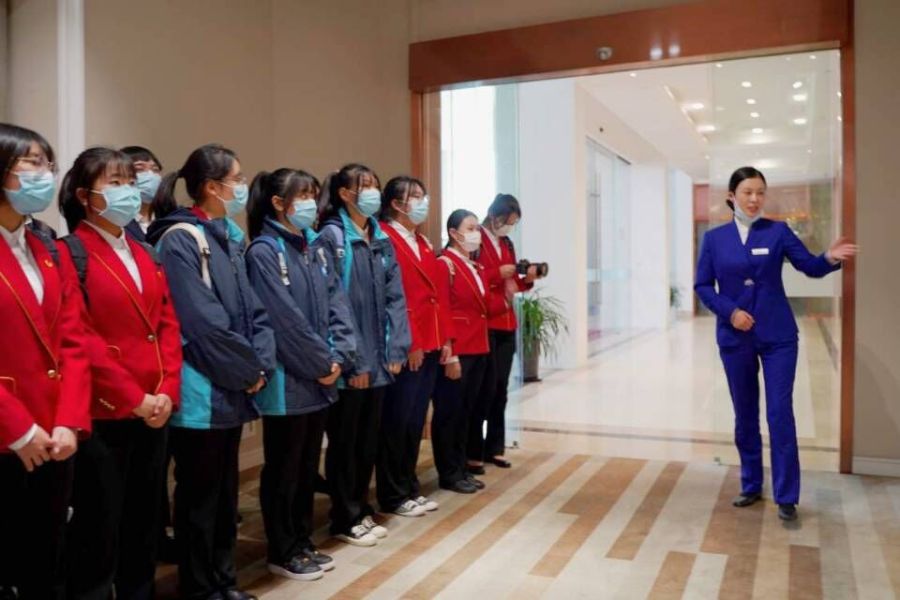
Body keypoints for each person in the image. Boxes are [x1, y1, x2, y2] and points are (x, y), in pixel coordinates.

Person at [147, 144, 276, 600]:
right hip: (202, 390)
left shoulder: (228, 236)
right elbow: (202, 324)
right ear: (211, 187)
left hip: (235, 385)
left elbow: (255, 312)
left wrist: (259, 365)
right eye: (236, 179)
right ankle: (200, 587)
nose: (242, 186)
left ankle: (224, 582)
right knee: (199, 499)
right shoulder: (180, 238)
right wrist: (247, 371)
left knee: (224, 496)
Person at [695, 166, 857, 522]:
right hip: (735, 337)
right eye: (748, 192)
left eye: (760, 192)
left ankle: (787, 495)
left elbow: (809, 266)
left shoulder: (778, 231)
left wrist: (829, 258)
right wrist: (730, 312)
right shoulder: (715, 239)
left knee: (780, 412)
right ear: (732, 196)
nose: (755, 199)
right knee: (745, 414)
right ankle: (751, 484)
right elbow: (703, 286)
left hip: (778, 337)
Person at [58, 146, 182, 600]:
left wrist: (166, 390)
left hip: (155, 408)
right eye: (115, 183)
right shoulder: (70, 252)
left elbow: (167, 324)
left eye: (131, 182)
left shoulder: (144, 251)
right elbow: (80, 337)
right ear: (84, 196)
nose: (128, 191)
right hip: (105, 411)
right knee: (98, 527)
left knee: (143, 524)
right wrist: (134, 397)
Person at [245, 168, 356, 580]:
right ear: (279, 203)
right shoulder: (263, 251)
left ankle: (302, 540)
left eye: (313, 194)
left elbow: (337, 303)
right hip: (287, 380)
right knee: (285, 468)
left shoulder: (314, 246)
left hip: (322, 375)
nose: (311, 202)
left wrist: (339, 356)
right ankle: (282, 548)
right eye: (302, 195)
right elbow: (283, 321)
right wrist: (323, 364)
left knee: (308, 465)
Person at [0, 123, 91, 600]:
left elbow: (73, 340)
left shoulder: (45, 246)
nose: (44, 174)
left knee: (46, 558)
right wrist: (18, 429)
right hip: (9, 433)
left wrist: (69, 420)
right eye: (32, 163)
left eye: (47, 164)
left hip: (55, 436)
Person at [316, 163, 411, 546]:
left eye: (374, 184)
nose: (372, 191)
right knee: (346, 444)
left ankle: (361, 508)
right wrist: (353, 361)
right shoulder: (332, 237)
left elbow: (395, 297)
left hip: (380, 360)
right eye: (364, 185)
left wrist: (396, 347)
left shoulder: (379, 236)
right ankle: (344, 516)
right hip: (352, 363)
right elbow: (333, 303)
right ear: (344, 194)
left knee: (368, 442)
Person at [376, 176, 451, 517]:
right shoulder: (385, 237)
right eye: (416, 196)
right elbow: (396, 298)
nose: (423, 202)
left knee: (415, 420)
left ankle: (408, 485)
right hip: (408, 343)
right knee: (397, 421)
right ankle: (392, 493)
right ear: (396, 203)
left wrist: (443, 339)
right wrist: (410, 343)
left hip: (430, 341)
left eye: (423, 195)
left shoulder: (421, 240)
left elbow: (436, 296)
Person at [432, 209, 503, 494]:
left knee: (467, 412)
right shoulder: (445, 264)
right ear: (453, 233)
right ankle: (449, 472)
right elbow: (442, 309)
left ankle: (461, 468)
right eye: (470, 228)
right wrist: (450, 352)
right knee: (450, 413)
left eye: (476, 228)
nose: (476, 234)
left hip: (478, 347)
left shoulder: (474, 266)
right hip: (459, 348)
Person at [474, 194, 538, 472]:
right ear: (493, 215)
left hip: (507, 322)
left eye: (513, 223)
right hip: (486, 322)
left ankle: (495, 447)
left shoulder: (507, 243)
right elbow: (473, 276)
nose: (509, 226)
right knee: (483, 389)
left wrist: (527, 280)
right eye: (507, 221)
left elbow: (511, 284)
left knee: (500, 388)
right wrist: (495, 273)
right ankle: (474, 449)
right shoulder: (476, 239)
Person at [120, 146, 163, 242]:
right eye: (139, 169)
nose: (150, 175)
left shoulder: (169, 217)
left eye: (155, 170)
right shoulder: (117, 221)